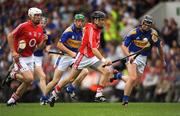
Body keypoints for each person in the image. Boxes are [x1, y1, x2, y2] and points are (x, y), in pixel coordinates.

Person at [49, 11, 112, 107]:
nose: (103, 22)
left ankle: (98, 94)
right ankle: (55, 92)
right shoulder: (91, 30)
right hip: (83, 57)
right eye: (101, 20)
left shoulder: (94, 27)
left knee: (106, 72)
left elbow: (85, 27)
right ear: (95, 20)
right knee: (71, 78)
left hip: (92, 57)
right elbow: (94, 49)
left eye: (103, 19)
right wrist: (104, 60)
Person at [112, 15, 166, 106]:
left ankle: (118, 75)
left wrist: (162, 59)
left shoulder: (153, 34)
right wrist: (129, 56)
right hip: (132, 56)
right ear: (142, 23)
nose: (147, 26)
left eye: (149, 25)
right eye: (145, 24)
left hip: (143, 58)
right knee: (132, 78)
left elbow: (159, 47)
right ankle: (125, 101)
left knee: (135, 84)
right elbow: (123, 45)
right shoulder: (133, 32)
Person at [4, 7, 48, 106]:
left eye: (39, 15)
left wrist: (44, 40)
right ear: (30, 16)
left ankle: (13, 99)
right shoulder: (23, 26)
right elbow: (10, 36)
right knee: (29, 79)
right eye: (36, 15)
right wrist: (13, 52)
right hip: (20, 57)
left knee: (29, 82)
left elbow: (39, 47)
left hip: (30, 56)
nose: (38, 17)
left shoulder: (40, 29)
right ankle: (13, 75)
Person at [45, 14, 89, 101]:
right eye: (78, 21)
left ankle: (71, 87)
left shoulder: (82, 31)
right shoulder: (68, 31)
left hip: (74, 58)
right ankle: (43, 97)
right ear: (75, 21)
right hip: (64, 57)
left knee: (85, 71)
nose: (80, 23)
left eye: (81, 21)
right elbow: (59, 45)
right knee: (55, 81)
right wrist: (70, 52)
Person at [33, 16, 52, 105]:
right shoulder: (32, 31)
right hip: (30, 56)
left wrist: (47, 49)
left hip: (38, 58)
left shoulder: (46, 34)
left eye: (44, 23)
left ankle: (44, 98)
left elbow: (48, 44)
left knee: (42, 77)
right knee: (28, 80)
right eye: (41, 22)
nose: (43, 24)